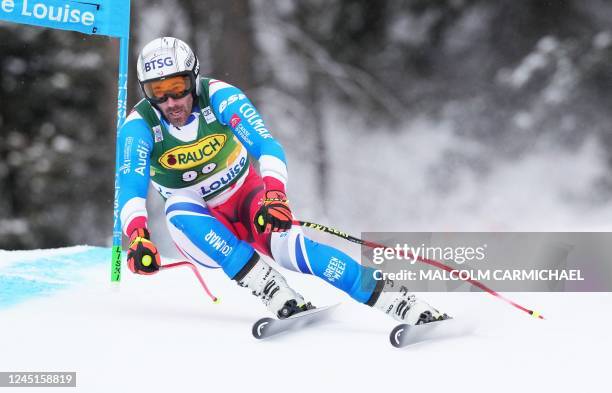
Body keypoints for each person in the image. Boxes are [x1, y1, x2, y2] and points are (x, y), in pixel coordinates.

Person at [118, 37, 447, 324]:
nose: (171, 102)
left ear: (194, 77)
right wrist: (138, 237)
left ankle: (403, 304)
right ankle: (274, 292)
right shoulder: (139, 125)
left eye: (177, 87)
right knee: (177, 206)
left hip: (246, 198)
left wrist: (275, 194)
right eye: (157, 92)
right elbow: (131, 187)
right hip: (197, 226)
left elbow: (266, 145)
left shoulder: (219, 96)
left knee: (296, 250)